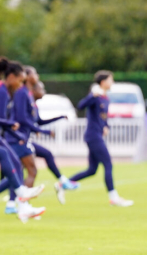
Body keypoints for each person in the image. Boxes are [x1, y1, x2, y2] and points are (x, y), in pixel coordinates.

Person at [0, 60, 46, 221]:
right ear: (12, 77)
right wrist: (16, 132)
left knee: (13, 164)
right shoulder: (0, 91)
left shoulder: (4, 91)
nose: (21, 85)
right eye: (20, 81)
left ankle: (21, 203)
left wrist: (16, 132)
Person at [68, 71, 133, 207]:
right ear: (103, 82)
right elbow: (80, 106)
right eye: (110, 80)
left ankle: (64, 183)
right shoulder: (96, 96)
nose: (112, 83)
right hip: (93, 136)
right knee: (108, 164)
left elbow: (102, 116)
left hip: (97, 135)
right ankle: (113, 197)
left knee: (92, 170)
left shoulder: (105, 98)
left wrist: (106, 126)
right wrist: (91, 95)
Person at [30, 81, 79, 204]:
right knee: (22, 172)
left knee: (45, 155)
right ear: (34, 91)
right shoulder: (28, 104)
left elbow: (39, 122)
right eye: (42, 89)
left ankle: (63, 180)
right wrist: (45, 133)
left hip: (25, 141)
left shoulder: (35, 106)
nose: (44, 92)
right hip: (19, 142)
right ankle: (16, 202)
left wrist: (60, 117)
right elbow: (26, 124)